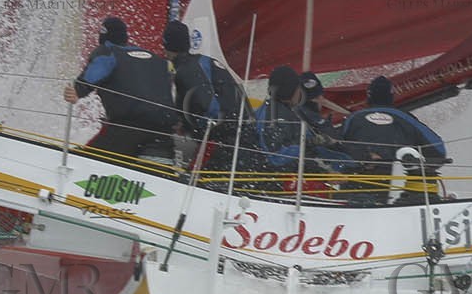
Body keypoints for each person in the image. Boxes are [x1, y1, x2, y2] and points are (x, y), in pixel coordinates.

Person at [65, 16, 179, 163]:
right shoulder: (155, 58)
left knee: (82, 163)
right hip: (163, 132)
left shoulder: (108, 52)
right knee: (155, 174)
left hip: (127, 129)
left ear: (103, 36)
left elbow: (96, 71)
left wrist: (78, 90)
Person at [339, 76, 448, 204]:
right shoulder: (405, 118)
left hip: (355, 186)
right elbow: (438, 150)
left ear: (369, 96)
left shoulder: (353, 119)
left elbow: (336, 147)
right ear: (391, 96)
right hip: (396, 187)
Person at [162, 19, 244, 159]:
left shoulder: (185, 71)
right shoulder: (204, 61)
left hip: (224, 140)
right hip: (241, 132)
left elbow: (208, 108)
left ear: (167, 47)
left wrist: (192, 129)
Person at [255, 63, 352, 176]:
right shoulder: (275, 116)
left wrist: (319, 142)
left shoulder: (284, 111)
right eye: (298, 88)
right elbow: (278, 157)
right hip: (288, 179)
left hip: (305, 171)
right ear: (291, 91)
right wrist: (323, 172)